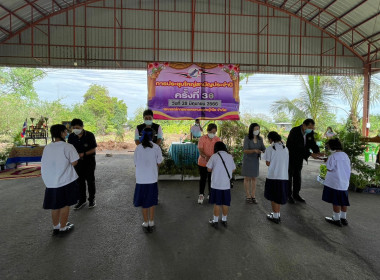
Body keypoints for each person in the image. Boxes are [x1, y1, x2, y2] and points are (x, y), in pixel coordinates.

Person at [41, 124, 79, 235]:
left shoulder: (47, 147)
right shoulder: (67, 146)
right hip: (65, 180)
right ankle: (63, 227)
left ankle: (56, 227)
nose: (67, 133)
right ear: (62, 133)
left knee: (55, 204)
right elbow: (74, 162)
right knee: (65, 204)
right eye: (65, 132)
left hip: (50, 181)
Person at [133, 127, 163, 233]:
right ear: (153, 136)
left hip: (141, 179)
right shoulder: (156, 147)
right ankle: (151, 221)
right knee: (151, 200)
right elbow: (159, 162)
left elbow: (136, 163)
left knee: (143, 201)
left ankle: (145, 222)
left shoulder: (138, 148)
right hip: (152, 178)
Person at [286, 119, 322, 204]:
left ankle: (296, 194)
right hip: (291, 156)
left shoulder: (310, 132)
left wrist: (317, 152)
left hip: (300, 157)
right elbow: (298, 146)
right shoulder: (294, 131)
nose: (311, 129)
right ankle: (288, 195)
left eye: (312, 128)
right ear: (304, 125)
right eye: (309, 127)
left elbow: (312, 143)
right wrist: (310, 154)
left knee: (297, 176)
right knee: (289, 176)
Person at [68, 118, 98, 210]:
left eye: (77, 127)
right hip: (77, 163)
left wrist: (83, 154)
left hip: (89, 161)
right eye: (74, 128)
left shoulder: (89, 135)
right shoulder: (71, 136)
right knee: (79, 182)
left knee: (90, 181)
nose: (75, 129)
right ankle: (82, 200)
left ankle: (91, 200)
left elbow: (93, 149)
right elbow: (69, 149)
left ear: (82, 127)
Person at [207, 141, 236, 228]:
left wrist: (216, 170)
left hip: (216, 184)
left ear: (216, 148)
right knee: (225, 203)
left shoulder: (214, 156)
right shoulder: (229, 156)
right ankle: (224, 220)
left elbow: (208, 169)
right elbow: (233, 169)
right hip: (226, 184)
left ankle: (215, 221)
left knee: (217, 203)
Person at [322, 138, 351, 227]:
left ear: (332, 146)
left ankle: (336, 218)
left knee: (336, 201)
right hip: (344, 182)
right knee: (343, 201)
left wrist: (326, 161)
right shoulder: (345, 155)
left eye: (328, 146)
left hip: (335, 183)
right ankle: (343, 218)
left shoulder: (333, 156)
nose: (328, 147)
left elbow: (330, 168)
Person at [263, 132, 289, 224]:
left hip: (273, 176)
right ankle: (277, 215)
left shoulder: (270, 149)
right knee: (278, 196)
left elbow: (268, 163)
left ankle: (275, 216)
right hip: (283, 176)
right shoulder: (285, 149)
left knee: (273, 197)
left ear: (271, 139)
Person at [241, 123, 266, 204]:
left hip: (255, 161)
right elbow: (245, 150)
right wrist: (254, 151)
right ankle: (248, 196)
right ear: (251, 130)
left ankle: (253, 196)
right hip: (248, 160)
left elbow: (263, 148)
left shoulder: (260, 139)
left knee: (254, 178)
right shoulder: (247, 138)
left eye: (258, 129)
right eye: (255, 129)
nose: (257, 131)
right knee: (247, 178)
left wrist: (269, 151)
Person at [197, 123, 220, 204]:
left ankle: (211, 194)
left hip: (214, 163)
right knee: (203, 179)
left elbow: (219, 150)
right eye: (211, 132)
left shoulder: (217, 139)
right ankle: (201, 194)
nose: (213, 134)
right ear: (208, 131)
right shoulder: (202, 138)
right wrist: (205, 156)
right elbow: (200, 150)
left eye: (214, 132)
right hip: (203, 162)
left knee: (212, 179)